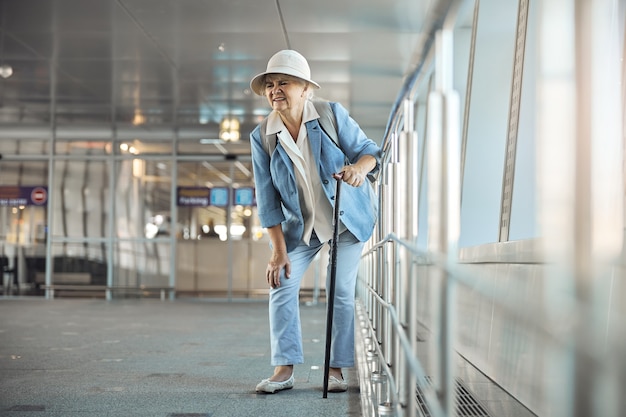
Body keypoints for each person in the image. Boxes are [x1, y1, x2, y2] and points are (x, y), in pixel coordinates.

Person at [249, 49, 381, 394]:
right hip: (301, 227)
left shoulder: (329, 115)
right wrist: (278, 252)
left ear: (306, 89)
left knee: (339, 291)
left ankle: (335, 369)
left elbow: (370, 152)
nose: (275, 89)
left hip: (346, 219)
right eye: (270, 84)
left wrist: (357, 169)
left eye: (285, 83)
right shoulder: (262, 135)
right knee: (281, 284)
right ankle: (283, 369)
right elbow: (267, 199)